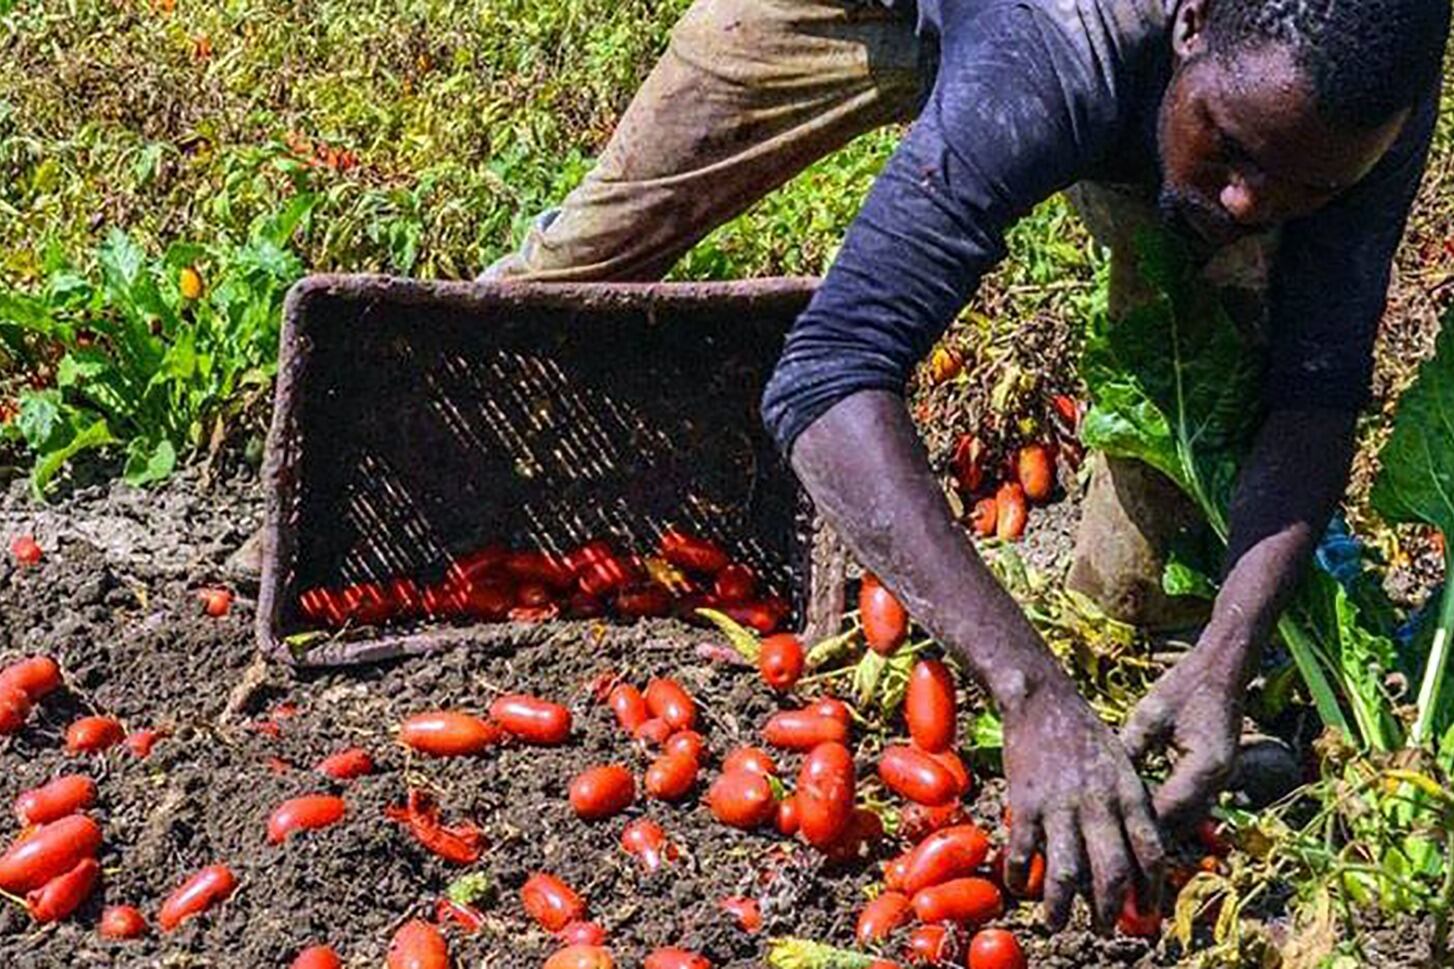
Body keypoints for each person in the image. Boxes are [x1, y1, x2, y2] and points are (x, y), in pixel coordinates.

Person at [483, 0, 1450, 931]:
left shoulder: (1354, 109)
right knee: (601, 243)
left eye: (1303, 187)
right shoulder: (1069, 44)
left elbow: (1315, 391)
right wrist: (1027, 692)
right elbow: (827, 374)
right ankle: (472, 415)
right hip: (895, 10)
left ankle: (1148, 663)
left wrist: (1227, 654)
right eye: (1229, 148)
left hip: (1162, 86)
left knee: (1208, 364)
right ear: (1190, 22)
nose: (1250, 202)